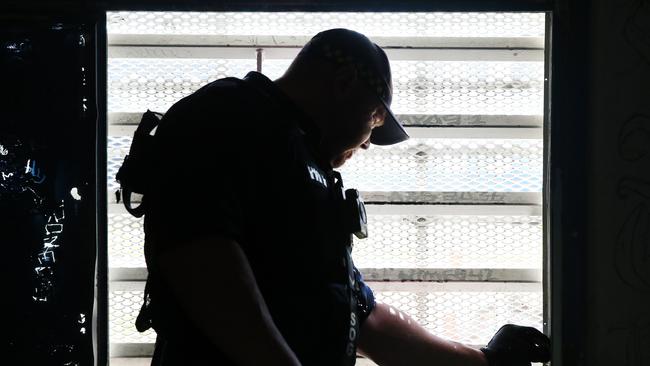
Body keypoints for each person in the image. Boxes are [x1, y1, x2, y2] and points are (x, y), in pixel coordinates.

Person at [134, 28, 551, 366]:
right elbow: (201, 260)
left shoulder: (305, 170)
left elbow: (362, 316)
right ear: (344, 83)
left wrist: (484, 360)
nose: (368, 143)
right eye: (375, 121)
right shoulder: (229, 114)